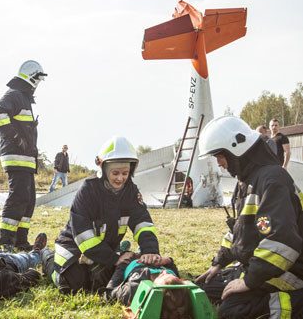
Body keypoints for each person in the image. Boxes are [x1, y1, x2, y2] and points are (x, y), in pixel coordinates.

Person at [195, 115, 303, 319]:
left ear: (235, 150)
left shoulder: (273, 180)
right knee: (205, 290)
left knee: (233, 312)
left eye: (219, 156)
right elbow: (239, 232)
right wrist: (218, 263)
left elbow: (282, 242)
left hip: (291, 272)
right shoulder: (246, 182)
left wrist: (248, 281)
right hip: (263, 268)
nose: (219, 163)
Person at [49, 136, 160, 294]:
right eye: (115, 173)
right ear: (104, 169)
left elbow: (143, 223)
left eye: (125, 173)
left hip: (104, 251)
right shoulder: (88, 191)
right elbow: (82, 236)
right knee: (73, 285)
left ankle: (118, 251)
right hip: (73, 248)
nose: (120, 178)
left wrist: (150, 250)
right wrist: (114, 259)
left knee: (102, 280)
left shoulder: (131, 192)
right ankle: (44, 256)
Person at [0, 60, 47, 251]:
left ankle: (21, 241)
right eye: (38, 79)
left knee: (28, 199)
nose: (39, 84)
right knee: (18, 197)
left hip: (26, 159)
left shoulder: (24, 99)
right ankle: (5, 241)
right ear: (32, 78)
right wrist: (16, 137)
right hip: (16, 158)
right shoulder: (14, 95)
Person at [104, 252, 193, 319]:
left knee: (127, 254)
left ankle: (126, 250)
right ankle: (141, 251)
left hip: (131, 262)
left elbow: (108, 293)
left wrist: (122, 264)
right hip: (153, 259)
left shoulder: (133, 289)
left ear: (155, 290)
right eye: (168, 273)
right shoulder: (176, 285)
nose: (164, 271)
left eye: (162, 275)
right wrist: (169, 261)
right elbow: (172, 270)